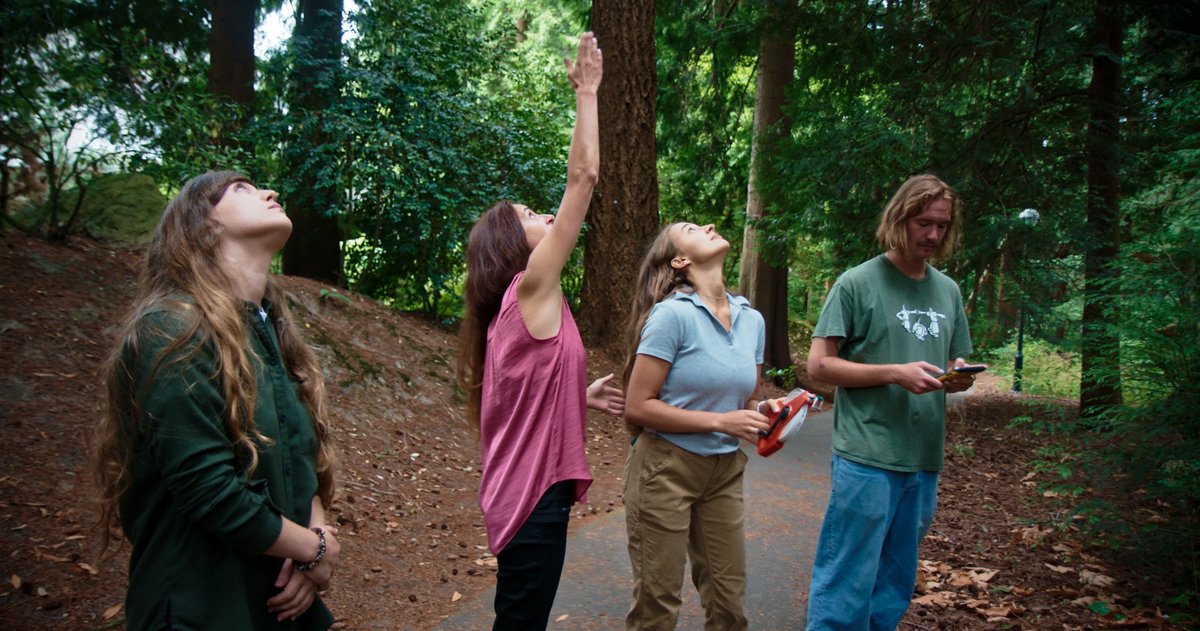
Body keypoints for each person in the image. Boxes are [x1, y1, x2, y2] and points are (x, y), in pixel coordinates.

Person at [92, 171, 340, 630]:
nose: (270, 191)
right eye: (242, 189)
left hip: (279, 603)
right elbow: (209, 491)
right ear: (202, 226)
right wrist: (314, 549)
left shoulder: (272, 336)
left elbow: (303, 459)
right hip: (201, 607)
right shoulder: (170, 331)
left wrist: (315, 538)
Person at [455, 33, 623, 630]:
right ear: (508, 246)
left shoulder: (517, 310)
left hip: (525, 497)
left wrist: (577, 396)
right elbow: (584, 179)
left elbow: (515, 405)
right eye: (529, 216)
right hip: (530, 501)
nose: (544, 217)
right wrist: (588, 92)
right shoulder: (529, 288)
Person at [804, 174, 980, 630]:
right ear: (899, 218)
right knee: (848, 578)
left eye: (942, 225)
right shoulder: (857, 282)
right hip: (867, 455)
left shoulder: (948, 290)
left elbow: (955, 356)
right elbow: (819, 367)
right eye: (923, 223)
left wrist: (957, 376)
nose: (933, 235)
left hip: (923, 458)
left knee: (895, 583)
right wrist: (893, 373)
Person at [621, 221, 782, 631]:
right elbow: (637, 407)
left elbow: (745, 399)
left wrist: (769, 411)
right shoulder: (672, 316)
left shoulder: (753, 320)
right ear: (680, 260)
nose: (708, 225)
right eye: (692, 228)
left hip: (724, 471)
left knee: (729, 606)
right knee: (657, 607)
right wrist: (719, 420)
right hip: (665, 470)